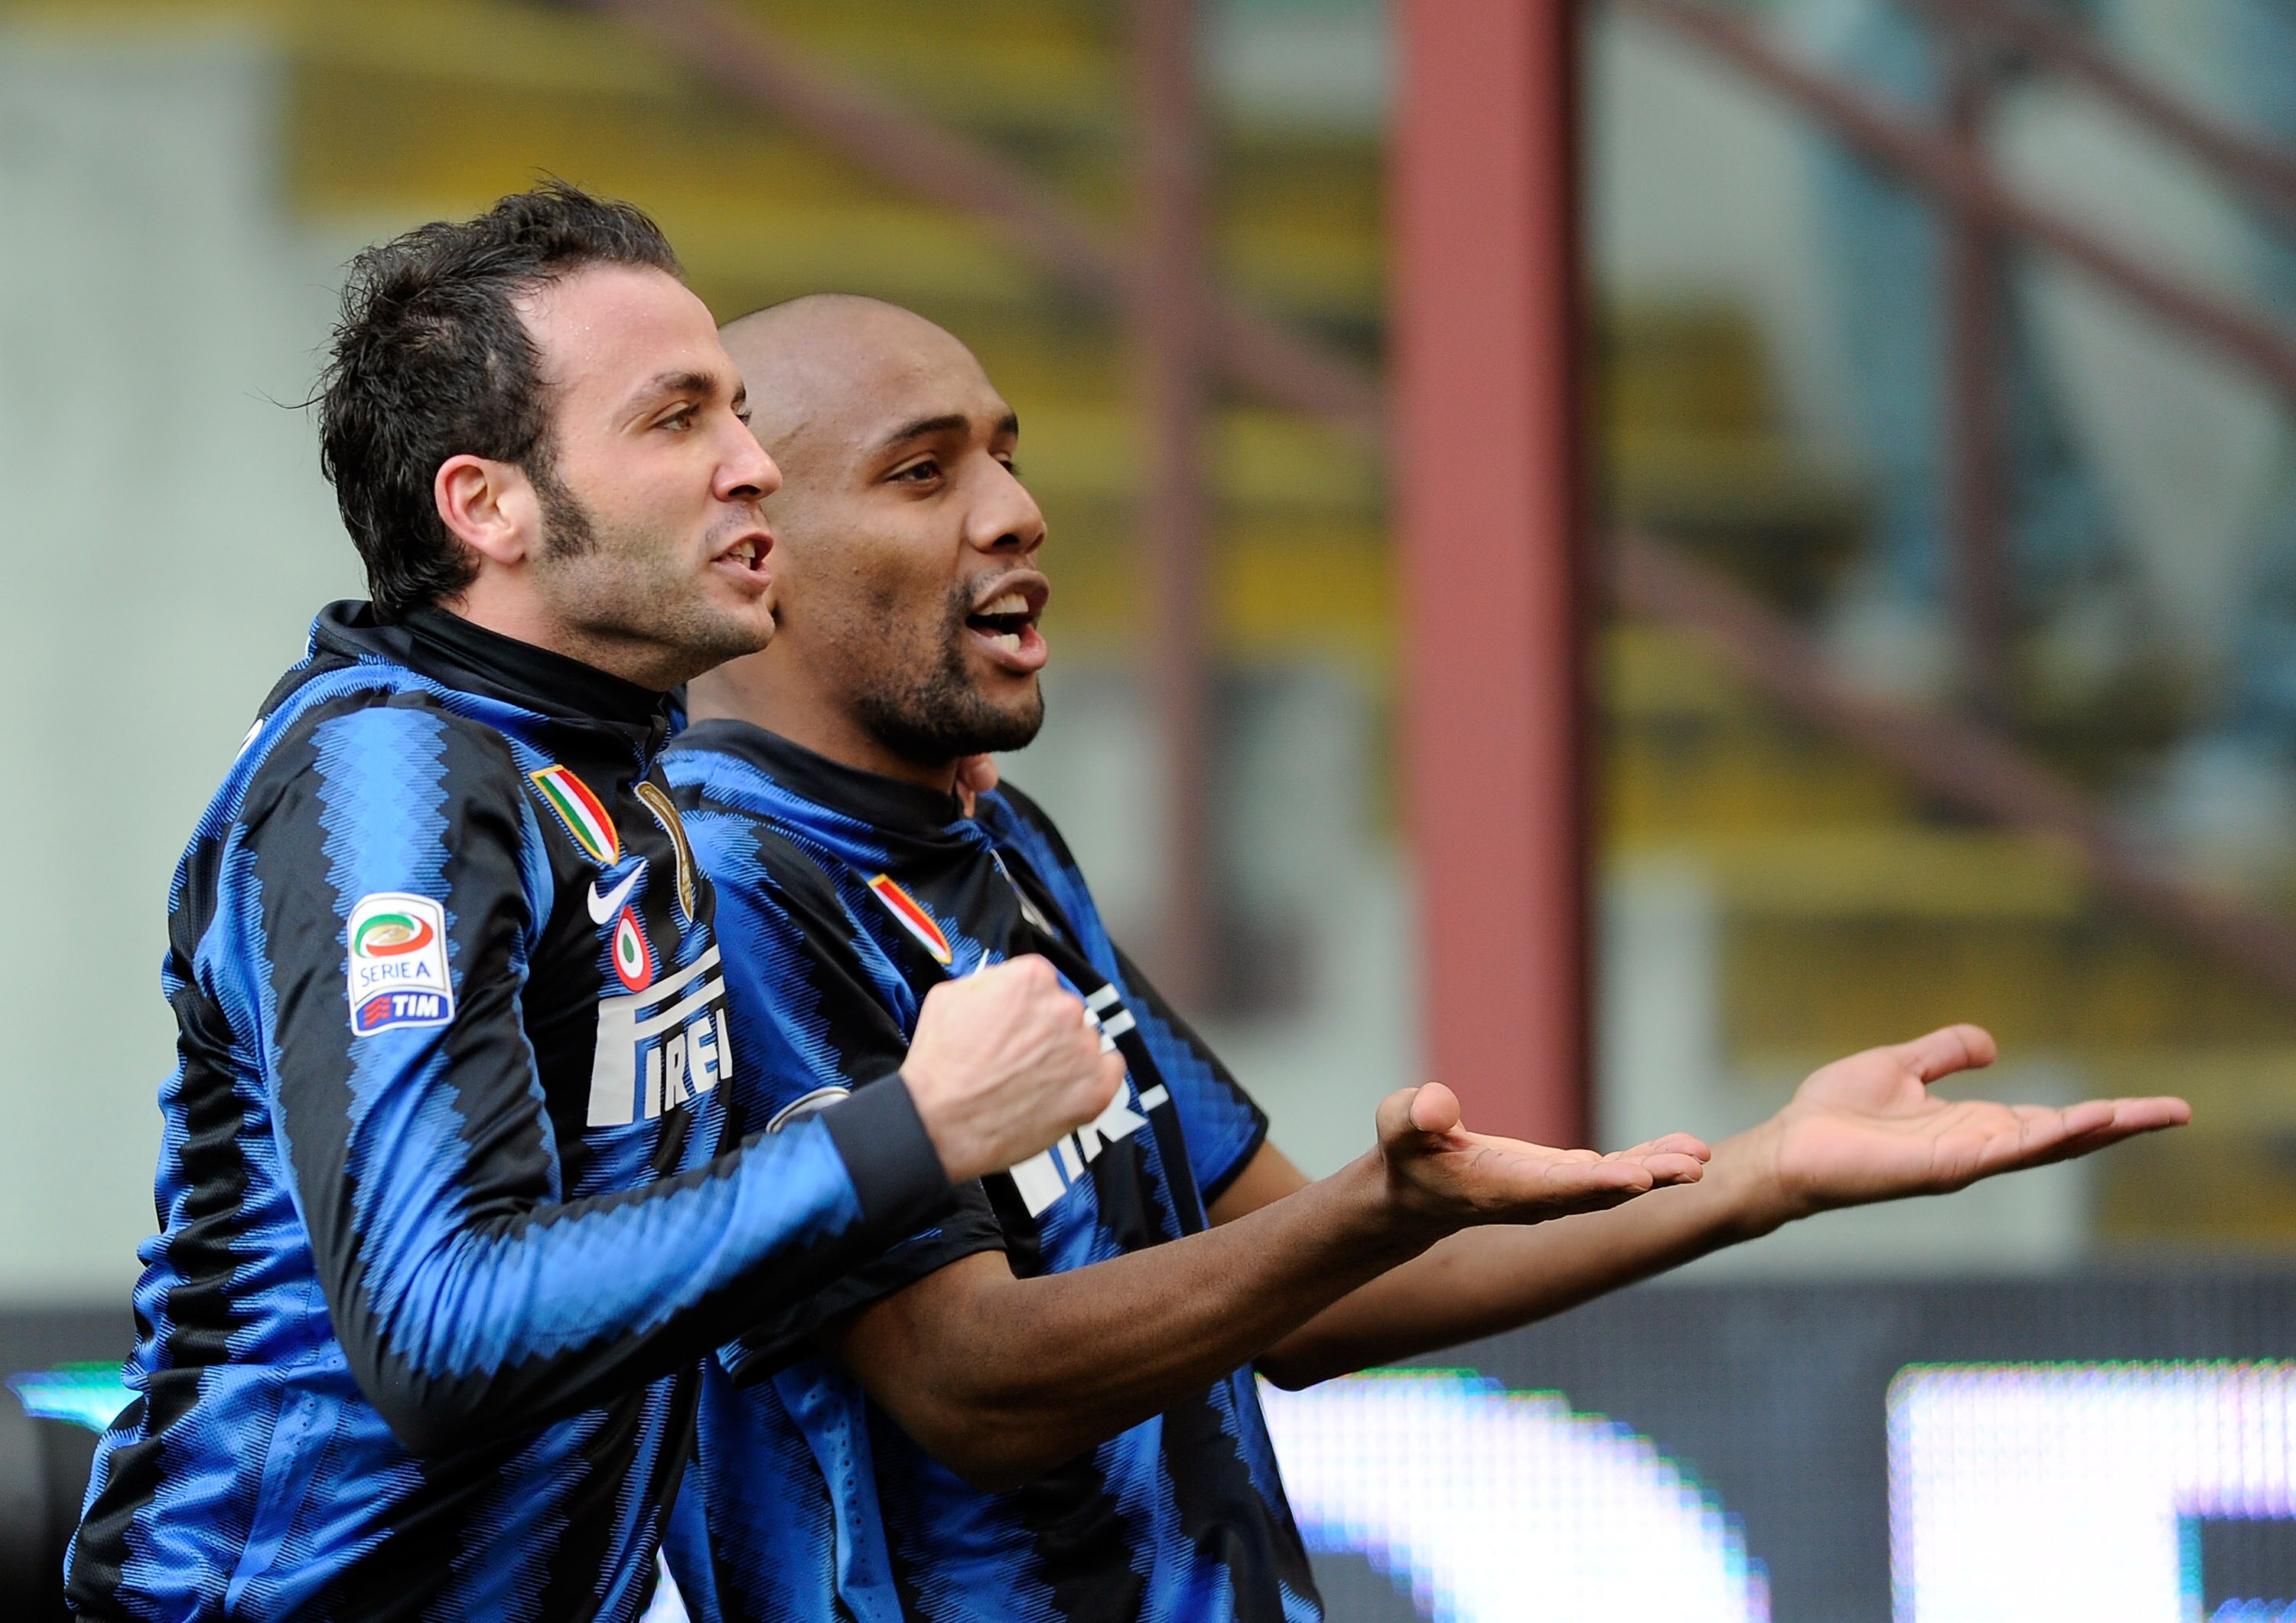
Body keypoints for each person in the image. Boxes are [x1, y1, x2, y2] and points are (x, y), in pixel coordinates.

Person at [656, 292, 2191, 1623]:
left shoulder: (996, 845)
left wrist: (1762, 1172)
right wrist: (1368, 1217)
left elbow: (1295, 1291)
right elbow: (968, 1382)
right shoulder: (724, 890)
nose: (1012, 509)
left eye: (1009, 450)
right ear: (752, 548)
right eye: (925, 472)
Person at [66, 194, 1124, 1623]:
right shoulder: (390, 774)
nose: (753, 467)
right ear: (486, 504)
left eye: (740, 415)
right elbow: (440, 1329)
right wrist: (910, 1128)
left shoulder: (618, 769)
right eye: (677, 420)